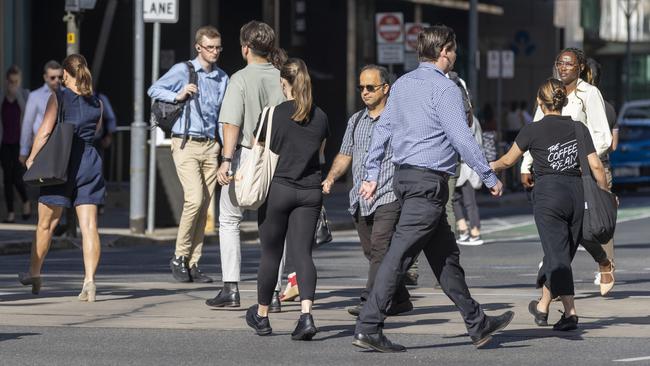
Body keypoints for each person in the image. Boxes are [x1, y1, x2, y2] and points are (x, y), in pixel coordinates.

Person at [352, 25, 513, 352]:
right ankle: (369, 326)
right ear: (444, 52)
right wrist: (489, 176)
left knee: (445, 258)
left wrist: (371, 173)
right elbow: (462, 137)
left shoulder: (402, 85)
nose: (455, 56)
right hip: (428, 182)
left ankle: (477, 322)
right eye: (454, 50)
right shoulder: (445, 89)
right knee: (398, 256)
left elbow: (382, 131)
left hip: (407, 179)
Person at [491, 78, 613, 331]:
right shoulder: (579, 127)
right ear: (564, 101)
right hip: (576, 194)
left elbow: (507, 161)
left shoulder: (532, 129)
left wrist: (485, 166)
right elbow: (596, 166)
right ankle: (544, 306)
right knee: (561, 252)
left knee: (557, 255)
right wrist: (605, 192)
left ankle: (570, 313)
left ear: (539, 101)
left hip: (548, 195)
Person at [244, 58, 329, 340]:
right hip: (310, 190)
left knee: (271, 254)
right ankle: (306, 316)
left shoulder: (273, 114)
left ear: (284, 83)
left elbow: (258, 147)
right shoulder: (321, 117)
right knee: (302, 254)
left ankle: (263, 315)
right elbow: (320, 156)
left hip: (278, 190)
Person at [521, 48, 614, 294]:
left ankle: (597, 264)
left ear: (580, 67)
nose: (563, 68)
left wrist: (580, 153)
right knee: (560, 225)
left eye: (568, 64)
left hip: (584, 171)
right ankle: (559, 272)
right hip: (551, 170)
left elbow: (603, 137)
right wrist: (525, 164)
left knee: (584, 228)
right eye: (559, 63)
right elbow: (537, 131)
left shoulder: (590, 94)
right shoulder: (551, 91)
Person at [321, 64, 411, 317]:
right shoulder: (356, 120)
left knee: (380, 248)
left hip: (389, 195)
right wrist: (330, 178)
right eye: (361, 87)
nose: (365, 92)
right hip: (360, 198)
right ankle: (401, 297)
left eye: (370, 87)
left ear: (385, 88)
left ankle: (370, 301)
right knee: (371, 251)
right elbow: (345, 153)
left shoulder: (399, 120)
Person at [207, 21, 286, 308]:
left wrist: (226, 160)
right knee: (276, 225)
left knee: (229, 219)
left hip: (246, 156)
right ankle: (274, 292)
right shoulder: (282, 77)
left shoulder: (239, 79)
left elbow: (231, 122)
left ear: (245, 48)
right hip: (279, 159)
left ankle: (231, 287)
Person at [18, 54, 105, 302]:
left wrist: (32, 158)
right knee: (89, 227)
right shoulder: (96, 102)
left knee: (47, 224)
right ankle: (89, 281)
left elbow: (45, 130)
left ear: (65, 74)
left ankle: (34, 273)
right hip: (89, 163)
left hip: (61, 165)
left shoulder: (58, 96)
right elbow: (95, 131)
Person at [148, 25, 228, 283]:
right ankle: (179, 257)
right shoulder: (184, 70)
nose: (214, 52)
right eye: (210, 47)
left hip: (210, 146)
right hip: (185, 143)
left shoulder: (222, 78)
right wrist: (178, 94)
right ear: (198, 47)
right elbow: (153, 90)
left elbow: (222, 118)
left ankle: (193, 263)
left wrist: (226, 151)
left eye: (218, 47)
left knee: (204, 206)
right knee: (194, 200)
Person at [584, 57, 618, 287]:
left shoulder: (576, 102)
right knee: (603, 220)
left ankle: (554, 270)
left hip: (576, 168)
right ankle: (606, 269)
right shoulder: (609, 107)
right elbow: (613, 145)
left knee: (568, 217)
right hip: (602, 166)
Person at [1, 65, 31, 223]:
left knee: (17, 178)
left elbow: (28, 114)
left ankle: (26, 202)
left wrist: (17, 95)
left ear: (19, 82)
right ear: (6, 81)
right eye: (10, 81)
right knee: (7, 178)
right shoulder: (2, 97)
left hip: (20, 144)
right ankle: (11, 213)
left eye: (16, 81)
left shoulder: (25, 95)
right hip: (5, 142)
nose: (13, 85)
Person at [19, 61, 63, 166]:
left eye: (60, 77)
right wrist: (24, 151)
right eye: (53, 77)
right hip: (41, 147)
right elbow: (27, 124)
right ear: (45, 77)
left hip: (61, 147)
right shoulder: (35, 96)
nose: (57, 80)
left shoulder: (67, 94)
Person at [454, 114, 485, 245]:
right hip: (462, 165)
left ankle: (474, 230)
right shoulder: (470, 118)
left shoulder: (468, 119)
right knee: (455, 199)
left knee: (468, 200)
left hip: (467, 165)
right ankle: (464, 228)